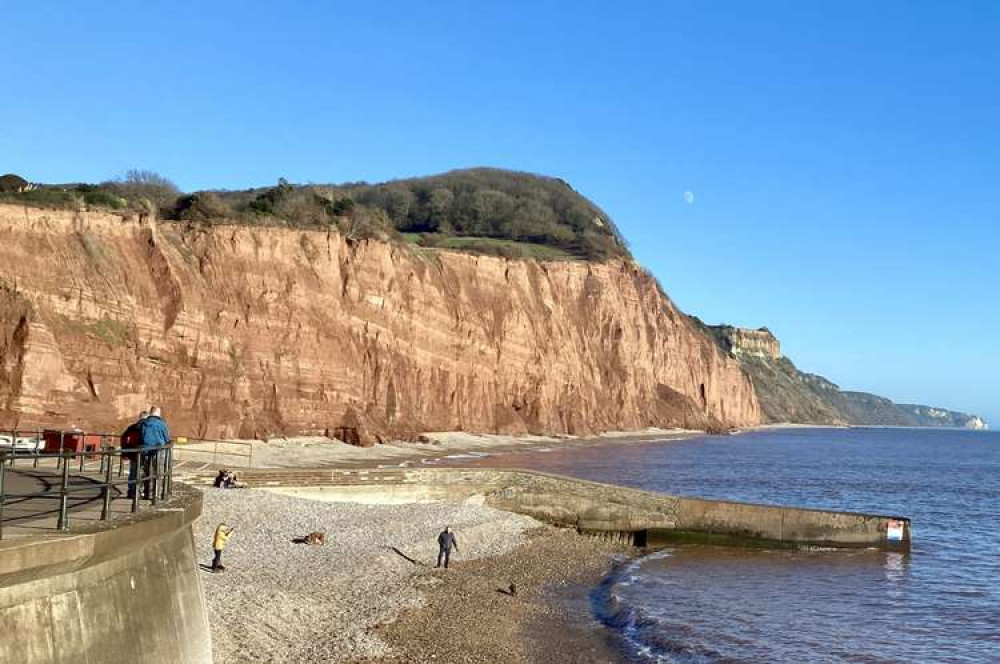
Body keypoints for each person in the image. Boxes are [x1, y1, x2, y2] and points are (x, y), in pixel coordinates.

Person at [139, 406, 171, 499]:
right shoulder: (161, 424)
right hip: (158, 451)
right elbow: (167, 438)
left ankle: (146, 493)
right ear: (158, 413)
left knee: (147, 472)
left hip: (145, 451)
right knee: (158, 473)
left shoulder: (143, 423)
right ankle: (155, 495)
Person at [120, 411, 147, 499]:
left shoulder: (132, 427)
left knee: (133, 473)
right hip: (143, 453)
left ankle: (131, 492)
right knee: (142, 473)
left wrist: (124, 451)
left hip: (133, 453)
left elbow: (123, 437)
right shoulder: (147, 427)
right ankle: (139, 492)